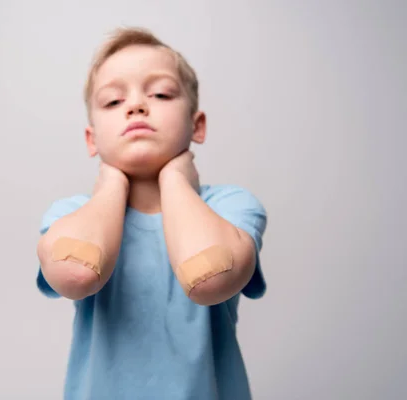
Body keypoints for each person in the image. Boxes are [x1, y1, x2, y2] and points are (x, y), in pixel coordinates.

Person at [35, 26, 268, 400]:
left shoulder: (230, 207)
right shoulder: (72, 215)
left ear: (197, 125)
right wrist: (111, 182)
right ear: (92, 139)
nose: (136, 106)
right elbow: (75, 272)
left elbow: (209, 278)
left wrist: (174, 177)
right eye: (113, 101)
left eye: (160, 93)